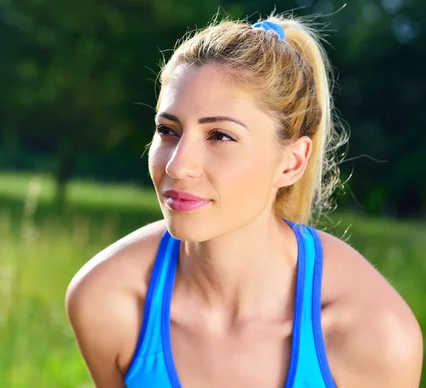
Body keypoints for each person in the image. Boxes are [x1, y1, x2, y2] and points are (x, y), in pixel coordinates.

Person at [64, 11, 423, 388]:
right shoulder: (108, 300)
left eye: (220, 136)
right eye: (168, 130)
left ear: (292, 162)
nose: (178, 165)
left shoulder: (376, 337)